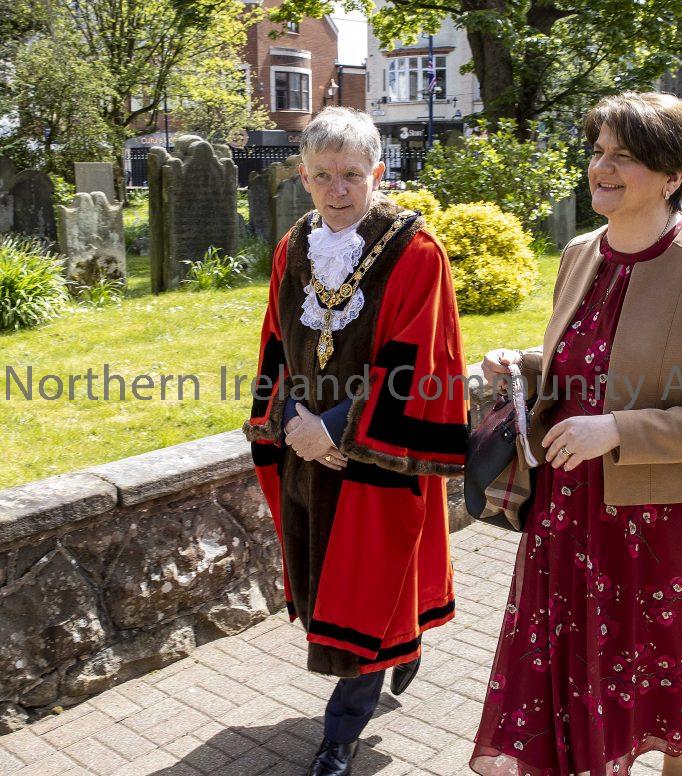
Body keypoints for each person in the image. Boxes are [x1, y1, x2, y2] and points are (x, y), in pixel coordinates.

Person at [471, 92, 682, 776]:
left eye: (623, 156)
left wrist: (616, 429)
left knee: (670, 683)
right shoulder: (580, 253)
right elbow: (588, 363)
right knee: (579, 676)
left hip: (666, 519)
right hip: (571, 508)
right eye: (598, 151)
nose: (601, 168)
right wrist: (526, 365)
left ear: (673, 174)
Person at [243, 107, 467, 776]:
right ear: (304, 177)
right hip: (308, 454)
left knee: (368, 592)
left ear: (378, 172)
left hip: (372, 454)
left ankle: (341, 735)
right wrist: (291, 422)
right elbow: (276, 342)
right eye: (322, 176)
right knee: (335, 590)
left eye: (350, 175)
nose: (337, 190)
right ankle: (403, 641)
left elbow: (416, 361)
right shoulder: (293, 247)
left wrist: (334, 427)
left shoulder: (415, 252)